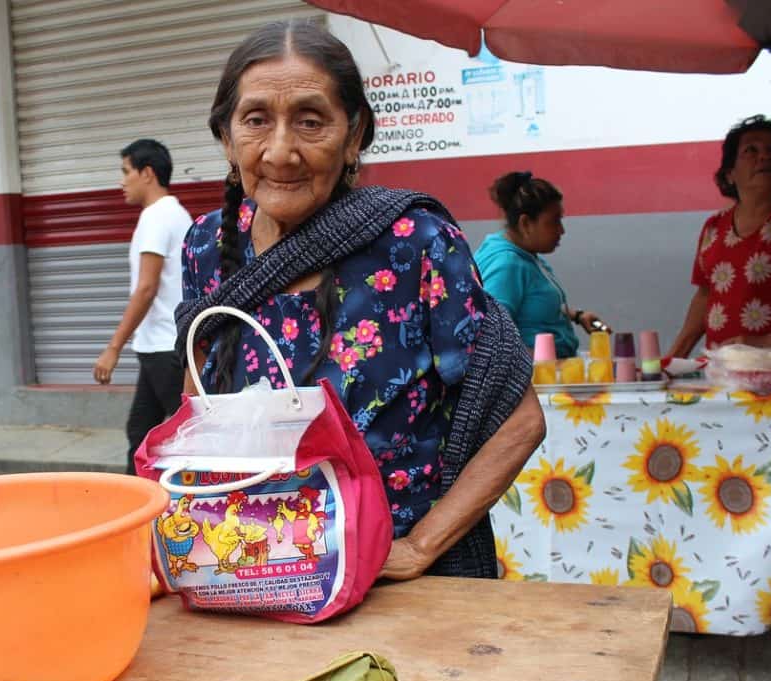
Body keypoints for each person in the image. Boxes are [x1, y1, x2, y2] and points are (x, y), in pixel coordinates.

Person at [174, 21, 545, 579]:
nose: (281, 151)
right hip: (249, 568)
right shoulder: (207, 244)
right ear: (227, 138)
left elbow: (521, 422)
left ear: (355, 135)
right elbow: (196, 404)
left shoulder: (416, 243)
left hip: (389, 580)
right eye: (256, 120)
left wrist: (420, 547)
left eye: (310, 121)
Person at [93, 138, 193, 474]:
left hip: (165, 348)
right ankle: (138, 510)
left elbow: (146, 287)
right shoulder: (175, 214)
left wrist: (113, 347)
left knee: (188, 439)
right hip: (161, 346)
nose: (122, 182)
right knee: (140, 432)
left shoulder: (157, 217)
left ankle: (190, 510)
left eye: (126, 172)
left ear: (147, 173)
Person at [669, 115, 771, 357]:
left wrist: (770, 341)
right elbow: (705, 295)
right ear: (730, 174)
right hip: (724, 371)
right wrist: (674, 356)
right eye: (751, 150)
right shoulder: (713, 228)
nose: (764, 156)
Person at [474, 172, 609, 357]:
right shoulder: (506, 265)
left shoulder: (527, 256)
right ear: (526, 223)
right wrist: (542, 365)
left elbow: (532, 302)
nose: (561, 230)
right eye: (554, 221)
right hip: (532, 380)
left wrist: (577, 316)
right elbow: (490, 338)